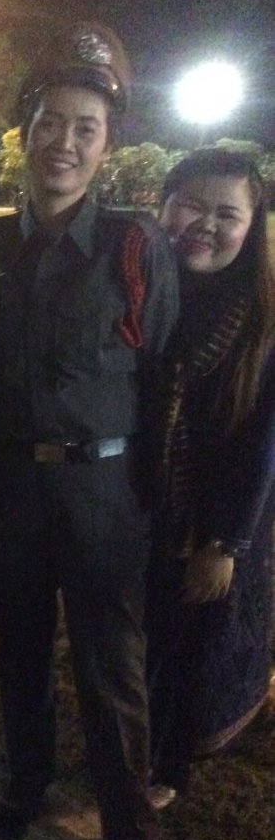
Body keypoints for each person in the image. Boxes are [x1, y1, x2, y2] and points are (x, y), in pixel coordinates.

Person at [0, 23, 182, 840]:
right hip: (9, 486)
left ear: (107, 144)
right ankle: (25, 784)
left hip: (103, 493)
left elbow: (162, 374)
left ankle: (132, 831)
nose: (65, 141)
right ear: (26, 130)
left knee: (110, 666)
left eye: (86, 127)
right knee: (18, 647)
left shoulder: (135, 247)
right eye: (51, 121)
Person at [147, 149, 275, 799]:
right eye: (193, 205)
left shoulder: (260, 320)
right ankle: (135, 748)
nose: (207, 224)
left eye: (228, 213)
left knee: (192, 646)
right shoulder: (141, 293)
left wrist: (226, 542)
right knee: (141, 640)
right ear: (164, 206)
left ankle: (166, 767)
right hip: (140, 505)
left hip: (214, 519)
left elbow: (264, 445)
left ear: (252, 227)